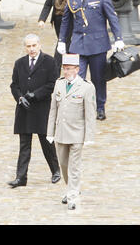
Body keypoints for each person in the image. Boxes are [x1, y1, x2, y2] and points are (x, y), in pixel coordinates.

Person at [58, 0, 124, 121]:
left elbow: (112, 17)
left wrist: (118, 38)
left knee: (98, 78)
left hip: (97, 45)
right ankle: (77, 108)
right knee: (75, 77)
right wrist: (61, 40)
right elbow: (66, 20)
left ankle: (100, 107)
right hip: (78, 44)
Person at [8, 34, 60, 188]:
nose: (31, 49)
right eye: (28, 46)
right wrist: (19, 98)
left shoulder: (50, 62)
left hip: (41, 108)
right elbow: (14, 85)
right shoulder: (19, 63)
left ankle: (55, 170)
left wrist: (35, 94)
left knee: (46, 143)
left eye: (34, 46)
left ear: (39, 45)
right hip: (24, 109)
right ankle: (21, 177)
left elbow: (52, 84)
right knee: (24, 145)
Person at [47, 54, 96, 210]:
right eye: (64, 68)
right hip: (61, 132)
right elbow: (53, 110)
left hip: (77, 133)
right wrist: (50, 132)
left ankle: (73, 196)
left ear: (77, 69)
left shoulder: (86, 87)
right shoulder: (59, 84)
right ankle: (71, 188)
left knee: (74, 165)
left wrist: (89, 136)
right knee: (63, 164)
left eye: (69, 69)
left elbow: (90, 114)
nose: (66, 72)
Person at [38, 0, 75, 73]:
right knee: (64, 43)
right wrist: (42, 19)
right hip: (58, 20)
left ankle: (56, 69)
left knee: (63, 43)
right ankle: (68, 67)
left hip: (70, 21)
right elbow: (48, 4)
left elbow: (75, 4)